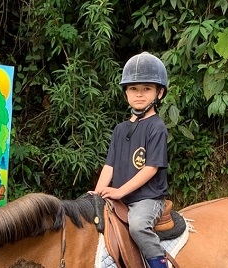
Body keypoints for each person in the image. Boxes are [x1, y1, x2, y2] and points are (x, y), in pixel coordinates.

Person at [92, 52, 170, 268]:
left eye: (146, 89)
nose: (139, 94)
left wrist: (119, 192)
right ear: (126, 92)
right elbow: (110, 165)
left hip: (147, 199)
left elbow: (151, 168)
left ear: (159, 93)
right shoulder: (120, 129)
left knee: (137, 226)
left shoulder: (157, 127)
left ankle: (159, 264)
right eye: (133, 88)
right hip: (120, 199)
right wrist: (98, 192)